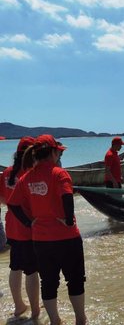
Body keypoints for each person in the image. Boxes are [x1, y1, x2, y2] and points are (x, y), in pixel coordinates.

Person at [7, 134, 87, 325]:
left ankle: (55, 320)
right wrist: (68, 220)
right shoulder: (59, 173)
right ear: (52, 152)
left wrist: (29, 223)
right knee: (75, 280)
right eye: (58, 152)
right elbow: (67, 197)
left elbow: (13, 204)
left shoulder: (27, 177)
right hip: (67, 237)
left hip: (41, 241)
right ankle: (80, 320)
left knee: (49, 282)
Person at [0, 136, 40, 318]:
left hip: (11, 226)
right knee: (31, 270)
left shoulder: (7, 172)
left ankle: (19, 306)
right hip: (29, 226)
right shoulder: (31, 173)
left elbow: (3, 199)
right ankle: (35, 311)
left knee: (15, 267)